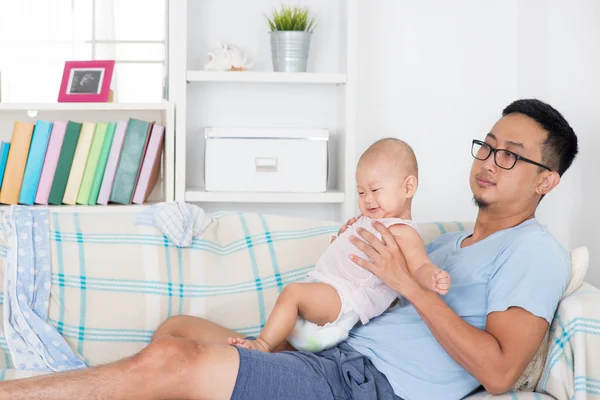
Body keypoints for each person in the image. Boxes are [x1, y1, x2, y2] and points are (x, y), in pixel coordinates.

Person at [0, 99, 578, 400]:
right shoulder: (449, 241)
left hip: (366, 388)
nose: (488, 162)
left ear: (546, 180)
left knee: (172, 362)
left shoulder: (536, 254)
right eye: (487, 146)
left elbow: (501, 372)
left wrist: (406, 284)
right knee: (178, 329)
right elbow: (365, 291)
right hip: (330, 358)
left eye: (512, 155)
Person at [229, 138, 450, 353]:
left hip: (345, 298)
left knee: (293, 293)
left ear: (408, 187)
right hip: (327, 285)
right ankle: (260, 350)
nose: (367, 199)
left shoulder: (403, 231)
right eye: (361, 192)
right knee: (289, 307)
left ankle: (262, 345)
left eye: (375, 190)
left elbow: (419, 266)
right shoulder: (368, 220)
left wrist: (432, 276)